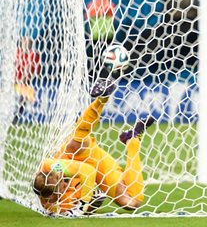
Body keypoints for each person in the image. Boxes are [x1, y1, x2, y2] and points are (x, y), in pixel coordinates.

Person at [32, 77, 154, 216]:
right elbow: (77, 210)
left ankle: (102, 98)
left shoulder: (53, 167)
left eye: (62, 181)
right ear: (50, 197)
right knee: (132, 202)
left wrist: (83, 204)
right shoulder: (52, 204)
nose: (65, 184)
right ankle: (132, 140)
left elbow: (88, 171)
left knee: (74, 145)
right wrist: (91, 204)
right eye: (61, 186)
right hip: (95, 175)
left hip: (83, 157)